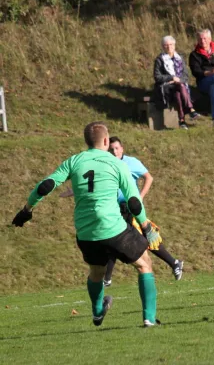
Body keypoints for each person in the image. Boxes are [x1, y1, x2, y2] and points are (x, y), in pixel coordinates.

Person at [11, 122, 162, 327]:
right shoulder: (116, 163)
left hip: (86, 232)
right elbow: (134, 201)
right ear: (107, 141)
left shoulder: (74, 161)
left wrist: (26, 210)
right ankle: (149, 319)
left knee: (96, 273)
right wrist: (145, 227)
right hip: (113, 228)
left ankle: (98, 311)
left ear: (86, 142)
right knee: (144, 264)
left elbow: (46, 185)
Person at [102, 136, 184, 287]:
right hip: (116, 210)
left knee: (144, 237)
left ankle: (106, 279)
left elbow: (149, 178)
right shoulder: (107, 165)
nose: (115, 152)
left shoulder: (131, 162)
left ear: (122, 148)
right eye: (111, 149)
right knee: (117, 241)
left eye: (117, 148)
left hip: (130, 210)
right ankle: (175, 263)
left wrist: (139, 198)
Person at [153, 35, 200, 130]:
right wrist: (171, 78)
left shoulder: (180, 58)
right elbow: (157, 77)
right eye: (166, 45)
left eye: (171, 44)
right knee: (179, 88)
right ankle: (191, 109)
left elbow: (185, 75)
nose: (169, 47)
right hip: (166, 86)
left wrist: (179, 80)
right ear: (163, 47)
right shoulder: (159, 60)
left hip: (179, 86)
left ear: (174, 45)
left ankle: (182, 121)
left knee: (178, 92)